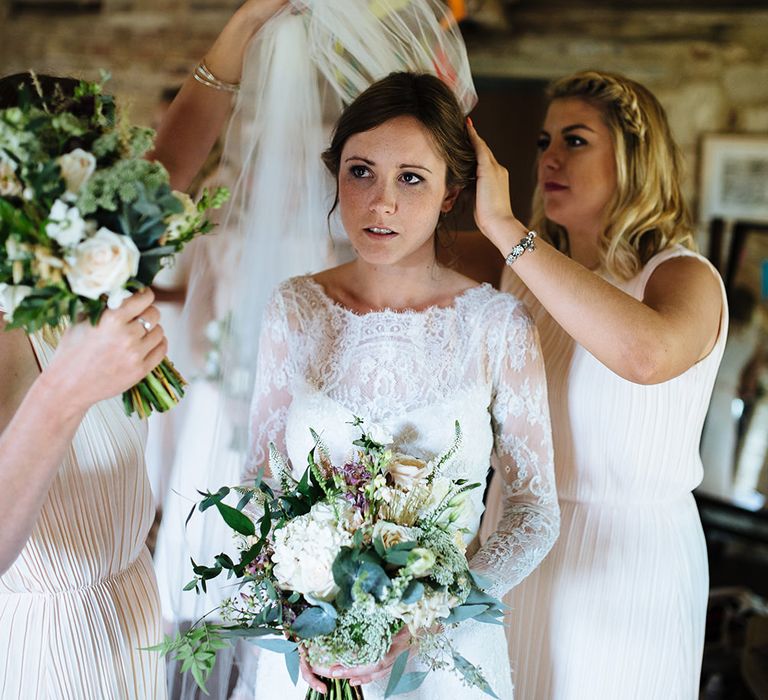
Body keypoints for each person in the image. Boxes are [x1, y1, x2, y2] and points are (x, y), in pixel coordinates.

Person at [242, 70, 558, 700]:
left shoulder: (497, 325)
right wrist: (297, 617)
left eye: (411, 178)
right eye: (361, 171)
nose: (380, 202)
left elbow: (533, 511)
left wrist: (427, 612)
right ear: (336, 174)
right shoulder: (294, 308)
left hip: (442, 656)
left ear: (450, 194)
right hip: (311, 647)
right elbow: (261, 482)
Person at [0, 2, 287, 693]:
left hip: (133, 615)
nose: (114, 204)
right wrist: (66, 389)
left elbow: (178, 155)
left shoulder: (86, 265)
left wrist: (247, 21)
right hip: (51, 652)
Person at [474, 70, 727, 699]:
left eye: (576, 140)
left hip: (624, 569)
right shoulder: (523, 282)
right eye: (543, 141)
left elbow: (645, 355)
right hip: (515, 549)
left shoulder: (682, 276)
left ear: (635, 160)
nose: (550, 157)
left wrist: (507, 229)